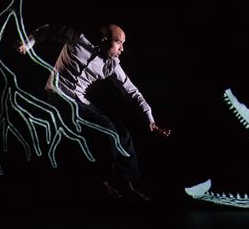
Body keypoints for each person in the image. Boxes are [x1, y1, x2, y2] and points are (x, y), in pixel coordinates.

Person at [16, 23, 171, 201]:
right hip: (60, 94)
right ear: (105, 40)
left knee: (122, 134)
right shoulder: (78, 38)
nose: (122, 48)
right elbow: (47, 30)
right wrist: (26, 44)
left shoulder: (112, 65)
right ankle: (102, 183)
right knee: (107, 130)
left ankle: (127, 184)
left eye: (123, 44)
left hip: (80, 100)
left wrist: (149, 119)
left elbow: (132, 92)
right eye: (118, 42)